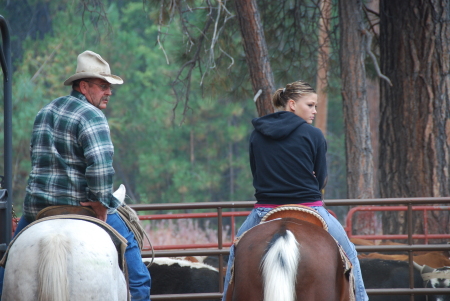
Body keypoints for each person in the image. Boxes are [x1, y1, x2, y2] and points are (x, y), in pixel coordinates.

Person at [0, 50, 151, 300]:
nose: (109, 92)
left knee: (7, 266)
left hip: (38, 210)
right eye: (103, 86)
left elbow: (36, 159)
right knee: (137, 270)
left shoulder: (44, 112)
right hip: (82, 208)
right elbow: (101, 168)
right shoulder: (93, 116)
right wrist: (102, 204)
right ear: (84, 86)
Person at [222, 80, 369, 301]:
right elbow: (320, 180)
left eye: (316, 106)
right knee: (351, 254)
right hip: (310, 207)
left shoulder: (257, 135)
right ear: (292, 104)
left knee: (235, 253)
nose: (315, 111)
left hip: (265, 210)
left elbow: (256, 173)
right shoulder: (314, 135)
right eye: (310, 105)